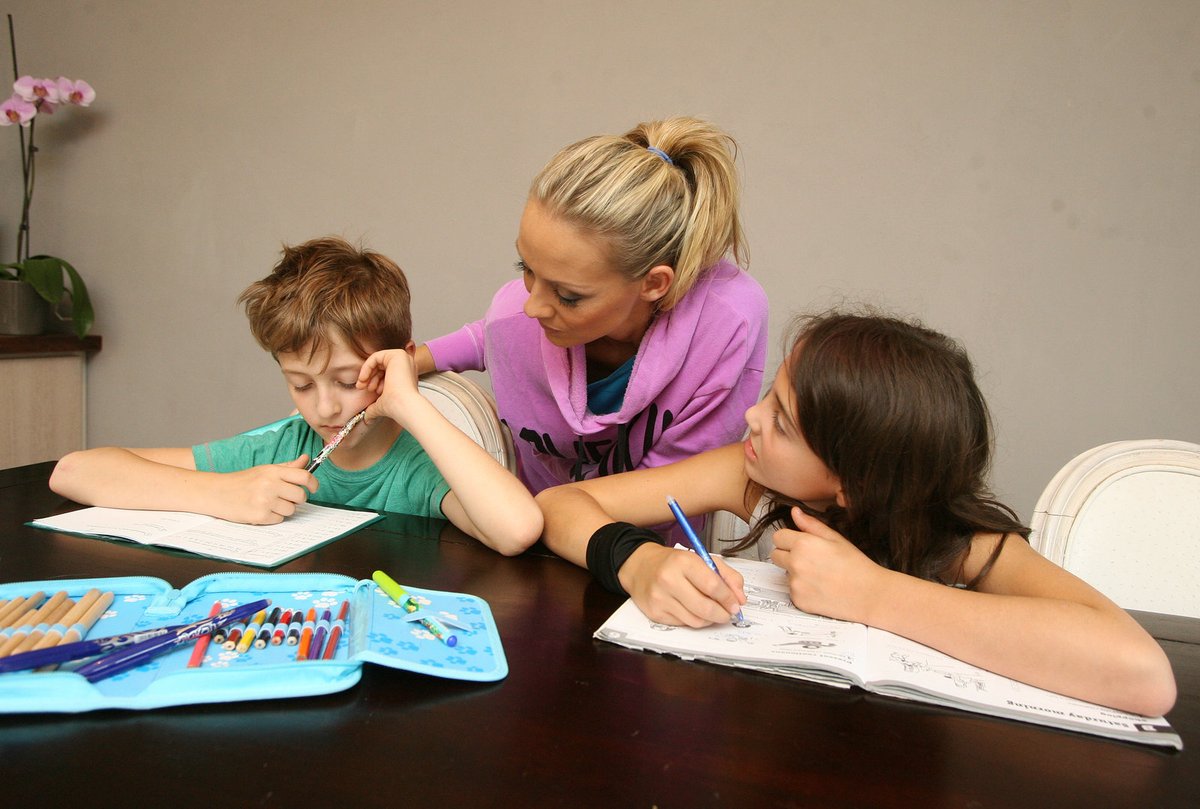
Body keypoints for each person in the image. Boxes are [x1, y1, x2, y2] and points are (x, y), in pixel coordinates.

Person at [536, 310, 1177, 717]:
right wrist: (638, 561)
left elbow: (1145, 677)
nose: (751, 418)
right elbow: (558, 505)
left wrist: (876, 594)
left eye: (781, 421)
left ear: (852, 485)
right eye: (771, 396)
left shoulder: (958, 539)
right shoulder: (753, 476)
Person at [50, 236, 542, 556]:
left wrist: (409, 400)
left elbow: (517, 530)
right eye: (301, 384)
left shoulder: (418, 465)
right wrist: (224, 492)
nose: (323, 408)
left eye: (348, 381)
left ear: (397, 361)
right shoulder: (283, 449)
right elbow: (73, 471)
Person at [416, 116, 768, 497]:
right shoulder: (517, 311)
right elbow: (495, 331)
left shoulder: (727, 325)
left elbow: (677, 489)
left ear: (654, 283)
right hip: (529, 538)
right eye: (527, 268)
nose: (533, 307)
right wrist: (409, 360)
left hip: (652, 547)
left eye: (568, 296)